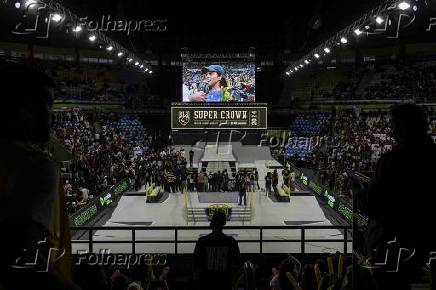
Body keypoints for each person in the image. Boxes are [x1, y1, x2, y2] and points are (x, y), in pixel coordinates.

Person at [0, 62, 79, 289]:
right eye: (48, 104)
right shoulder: (33, 164)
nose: (52, 115)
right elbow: (22, 258)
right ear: (24, 109)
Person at [361, 104, 436, 290]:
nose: (391, 130)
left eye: (393, 124)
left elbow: (372, 204)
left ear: (403, 126)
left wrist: (359, 195)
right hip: (429, 240)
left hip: (396, 244)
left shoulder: (393, 159)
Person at [193, 211, 241, 290]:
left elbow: (196, 264)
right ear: (223, 225)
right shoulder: (231, 242)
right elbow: (237, 263)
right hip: (224, 283)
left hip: (207, 283)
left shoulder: (202, 241)